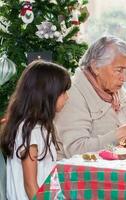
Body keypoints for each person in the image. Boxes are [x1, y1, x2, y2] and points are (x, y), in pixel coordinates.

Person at [55, 35, 126, 158]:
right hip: (75, 174)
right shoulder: (71, 94)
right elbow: (75, 150)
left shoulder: (117, 90)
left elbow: (116, 147)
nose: (124, 78)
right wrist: (123, 132)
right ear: (96, 66)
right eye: (119, 70)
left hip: (109, 167)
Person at [0, 60, 71, 199]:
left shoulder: (40, 127)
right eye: (63, 92)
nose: (67, 97)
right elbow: (30, 186)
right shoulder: (30, 131)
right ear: (46, 94)